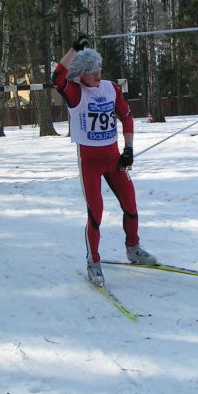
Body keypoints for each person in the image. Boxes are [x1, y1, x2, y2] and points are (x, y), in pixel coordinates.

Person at [53, 35, 157, 287]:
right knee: (96, 213)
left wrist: (128, 149)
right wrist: (74, 49)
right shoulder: (75, 92)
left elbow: (127, 116)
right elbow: (56, 79)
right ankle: (94, 261)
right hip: (89, 161)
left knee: (130, 203)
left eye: (98, 68)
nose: (97, 74)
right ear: (80, 73)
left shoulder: (111, 88)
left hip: (113, 158)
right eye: (91, 70)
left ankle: (133, 248)